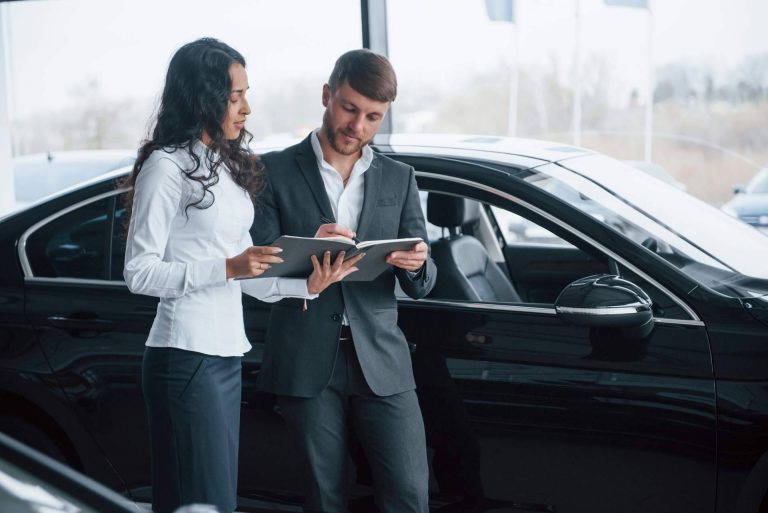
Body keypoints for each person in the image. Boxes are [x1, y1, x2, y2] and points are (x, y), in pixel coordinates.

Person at [122, 38, 362, 513]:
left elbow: (245, 271)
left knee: (208, 502)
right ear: (202, 99)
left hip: (224, 355)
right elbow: (139, 273)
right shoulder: (165, 169)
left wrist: (304, 281)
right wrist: (227, 267)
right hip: (184, 353)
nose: (246, 108)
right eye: (235, 98)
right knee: (203, 503)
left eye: (245, 95)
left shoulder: (223, 167)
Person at [251, 49, 436, 513]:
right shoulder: (271, 171)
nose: (359, 126)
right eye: (350, 109)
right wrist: (308, 245)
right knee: (324, 498)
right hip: (306, 356)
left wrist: (418, 266)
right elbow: (255, 265)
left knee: (410, 495)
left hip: (382, 358)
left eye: (373, 117)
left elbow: (425, 279)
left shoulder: (400, 177)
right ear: (327, 95)